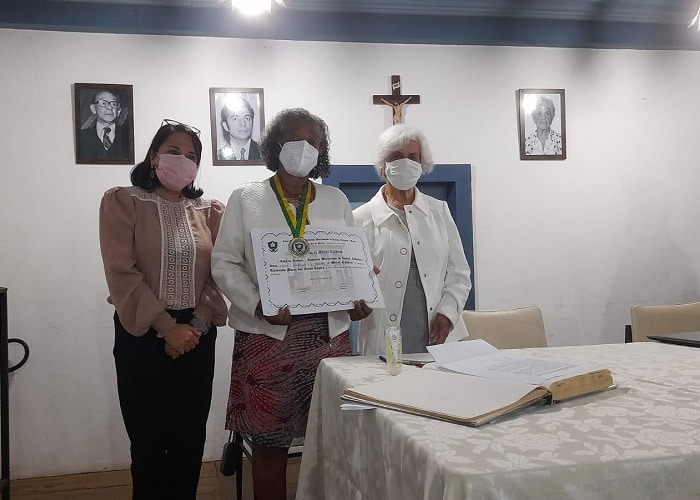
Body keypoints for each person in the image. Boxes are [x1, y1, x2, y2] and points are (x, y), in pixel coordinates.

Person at [211, 108, 372, 499]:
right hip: (268, 337)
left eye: (313, 141)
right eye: (294, 138)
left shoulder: (335, 199)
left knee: (331, 441)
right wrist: (257, 304)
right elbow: (224, 263)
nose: (304, 147)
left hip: (328, 339)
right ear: (275, 145)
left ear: (322, 151)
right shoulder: (246, 198)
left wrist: (360, 297)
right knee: (270, 446)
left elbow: (353, 260)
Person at [99, 119, 228, 499]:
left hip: (198, 332)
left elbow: (220, 272)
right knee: (148, 438)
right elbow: (120, 271)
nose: (182, 160)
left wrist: (198, 324)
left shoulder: (210, 211)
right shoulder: (123, 202)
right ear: (154, 156)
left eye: (192, 156)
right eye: (174, 151)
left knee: (189, 434)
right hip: (141, 331)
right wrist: (167, 327)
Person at [353, 124, 472, 355]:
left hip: (438, 334)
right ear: (383, 165)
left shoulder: (439, 211)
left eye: (412, 157)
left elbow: (459, 274)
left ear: (421, 163)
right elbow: (353, 280)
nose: (405, 162)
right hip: (382, 335)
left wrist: (447, 313)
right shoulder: (360, 219)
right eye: (396, 156)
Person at [79, 90, 131, 162]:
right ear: (93, 109)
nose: (109, 107)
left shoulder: (128, 136)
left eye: (113, 104)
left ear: (118, 111)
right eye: (103, 103)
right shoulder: (82, 136)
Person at [217, 94, 261, 161]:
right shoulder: (218, 156)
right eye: (235, 119)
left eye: (247, 118)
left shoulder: (264, 152)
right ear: (225, 126)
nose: (243, 123)